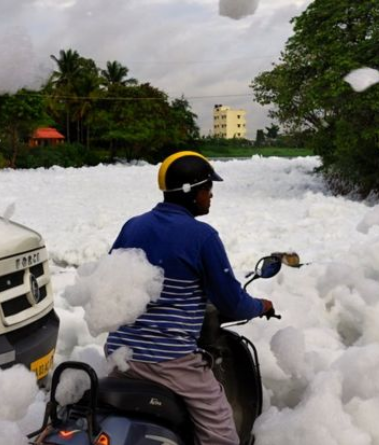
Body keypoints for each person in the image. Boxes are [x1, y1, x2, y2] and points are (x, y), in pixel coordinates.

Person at [106, 151, 274, 445]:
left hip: (121, 355)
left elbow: (109, 283)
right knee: (222, 431)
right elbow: (231, 302)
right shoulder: (202, 237)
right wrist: (261, 306)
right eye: (208, 189)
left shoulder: (132, 226)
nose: (211, 196)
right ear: (192, 192)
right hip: (169, 361)